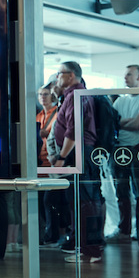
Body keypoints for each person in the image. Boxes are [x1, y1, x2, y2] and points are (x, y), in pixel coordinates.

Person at [52, 61, 105, 262]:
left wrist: (62, 157)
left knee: (85, 203)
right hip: (78, 153)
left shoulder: (76, 96)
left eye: (60, 73)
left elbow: (73, 131)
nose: (57, 77)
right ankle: (84, 247)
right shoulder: (72, 96)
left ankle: (90, 250)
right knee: (80, 202)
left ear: (71, 75)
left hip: (79, 154)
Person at [110, 64, 139, 242]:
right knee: (121, 192)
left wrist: (122, 122)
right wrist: (126, 122)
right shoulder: (120, 101)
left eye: (129, 75)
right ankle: (124, 230)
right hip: (119, 149)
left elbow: (138, 125)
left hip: (138, 149)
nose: (125, 78)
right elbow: (113, 122)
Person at [36, 84, 62, 245]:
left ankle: (54, 234)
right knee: (41, 201)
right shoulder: (38, 116)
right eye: (40, 94)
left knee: (51, 200)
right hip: (38, 163)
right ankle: (48, 233)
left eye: (46, 94)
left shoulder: (57, 114)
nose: (43, 97)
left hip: (52, 162)